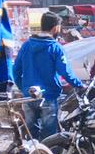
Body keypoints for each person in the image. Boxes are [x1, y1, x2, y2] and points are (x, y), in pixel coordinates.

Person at [13, 11, 83, 139]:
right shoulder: (55, 47)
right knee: (49, 137)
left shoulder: (26, 45)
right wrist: (80, 85)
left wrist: (23, 87)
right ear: (55, 27)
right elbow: (65, 72)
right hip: (48, 96)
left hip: (28, 96)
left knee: (30, 135)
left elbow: (16, 71)